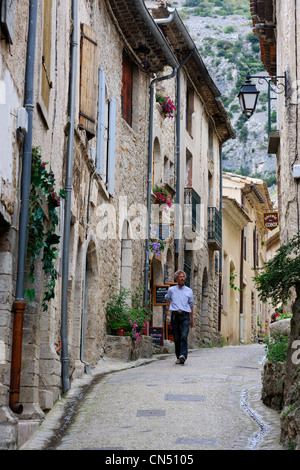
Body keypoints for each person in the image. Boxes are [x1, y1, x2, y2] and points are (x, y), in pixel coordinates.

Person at [165, 270, 194, 365]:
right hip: (175, 316)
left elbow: (191, 305)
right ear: (176, 279)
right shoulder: (171, 290)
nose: (182, 278)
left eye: (183, 277)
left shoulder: (189, 291)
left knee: (184, 336)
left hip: (186, 315)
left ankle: (183, 355)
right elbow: (167, 298)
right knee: (177, 338)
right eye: (180, 277)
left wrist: (192, 319)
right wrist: (170, 308)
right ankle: (179, 357)